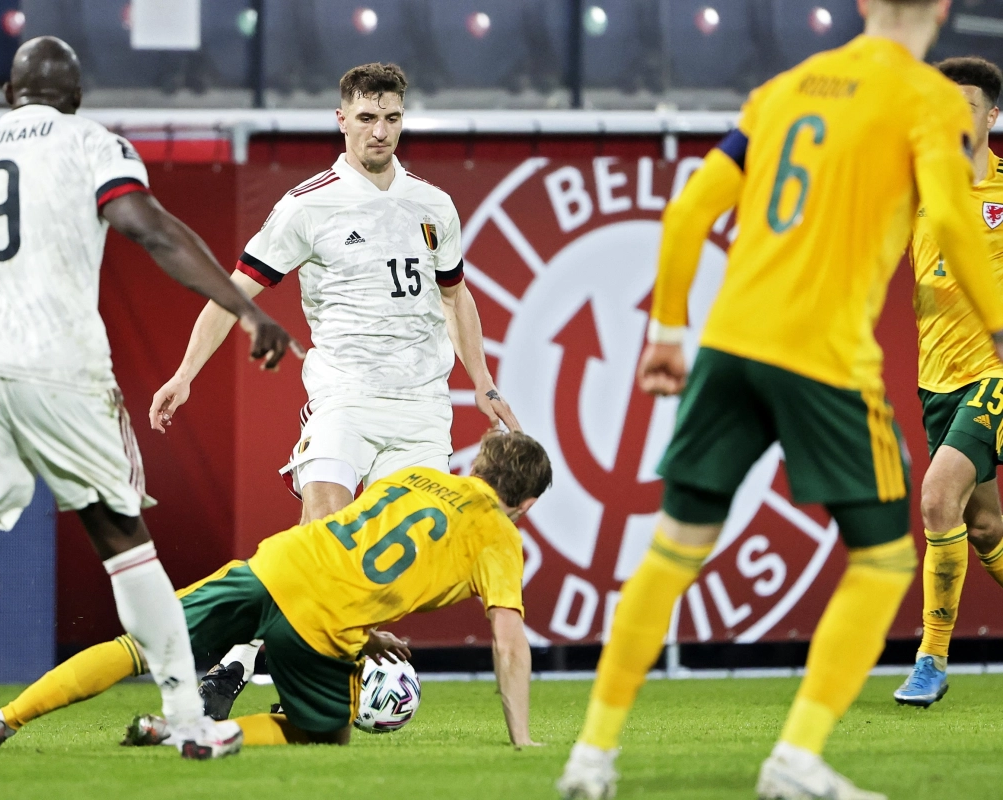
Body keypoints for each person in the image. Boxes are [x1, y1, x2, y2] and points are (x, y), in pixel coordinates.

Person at [556, 1, 1003, 799]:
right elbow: (959, 220)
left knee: (671, 550)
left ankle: (591, 757)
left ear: (862, 3)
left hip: (728, 344)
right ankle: (795, 759)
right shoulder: (926, 99)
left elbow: (692, 206)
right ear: (941, 10)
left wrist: (666, 327)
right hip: (823, 355)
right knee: (885, 557)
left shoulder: (783, 89)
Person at [0, 36, 297, 766]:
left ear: (8, 95)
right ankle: (188, 721)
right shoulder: (92, 144)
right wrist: (243, 309)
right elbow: (150, 229)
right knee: (123, 545)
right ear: (74, 98)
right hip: (62, 366)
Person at [147, 62, 519, 715]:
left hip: (422, 403)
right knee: (321, 529)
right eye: (368, 118)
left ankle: (253, 661)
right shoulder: (307, 205)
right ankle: (288, 665)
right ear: (341, 118)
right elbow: (233, 292)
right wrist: (183, 374)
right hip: (345, 391)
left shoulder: (434, 204)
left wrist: (483, 384)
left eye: (393, 118)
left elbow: (456, 298)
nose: (381, 131)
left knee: (389, 565)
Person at [0, 431, 550, 751]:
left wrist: (367, 633)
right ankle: (209, 735)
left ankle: (2, 720)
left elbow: (347, 546)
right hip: (323, 617)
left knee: (141, 646)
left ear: (475, 463)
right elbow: (507, 640)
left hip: (275, 564)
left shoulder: (415, 476)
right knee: (325, 731)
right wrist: (520, 737)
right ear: (524, 504)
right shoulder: (499, 535)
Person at [895, 56, 1003, 707]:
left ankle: (930, 659)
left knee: (938, 500)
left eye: (966, 103)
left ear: (992, 115)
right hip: (938, 380)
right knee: (984, 526)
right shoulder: (914, 186)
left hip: (997, 374)